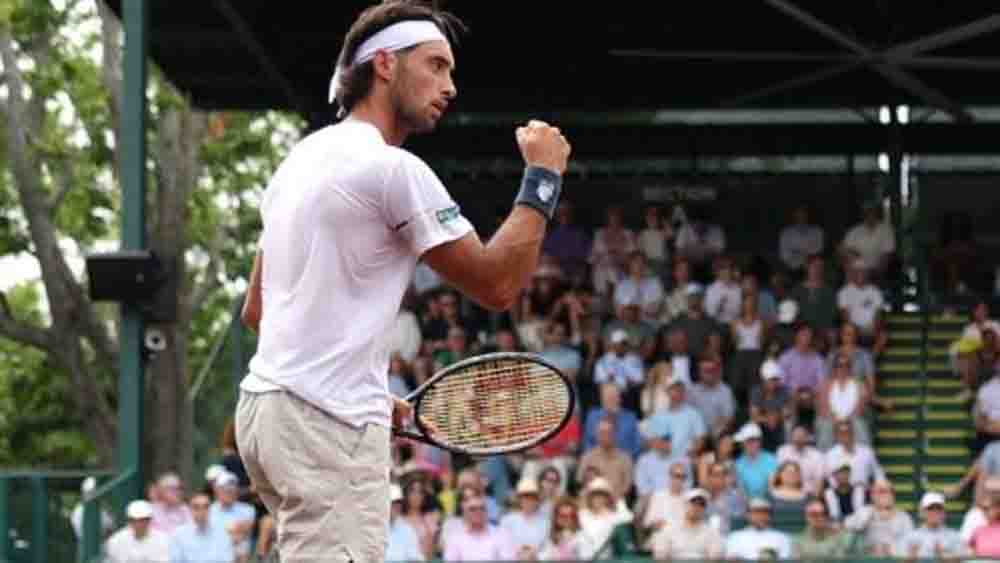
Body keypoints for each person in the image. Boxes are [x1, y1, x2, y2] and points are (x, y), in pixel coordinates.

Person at [234, 3, 572, 562]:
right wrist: (543, 177)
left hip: (265, 412)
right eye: (436, 65)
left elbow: (256, 310)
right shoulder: (393, 170)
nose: (450, 86)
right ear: (385, 64)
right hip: (324, 425)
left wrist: (361, 389)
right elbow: (497, 285)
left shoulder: (299, 159)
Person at [650, 488, 724, 560]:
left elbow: (714, 558)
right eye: (693, 503)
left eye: (701, 504)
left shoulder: (711, 532)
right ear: (685, 504)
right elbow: (660, 557)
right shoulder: (669, 529)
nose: (697, 507)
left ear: (705, 509)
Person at [169, 493, 235, 563]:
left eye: (206, 507)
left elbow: (227, 559)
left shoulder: (222, 533)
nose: (201, 511)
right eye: (196, 507)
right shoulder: (179, 534)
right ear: (190, 510)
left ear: (211, 510)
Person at [104, 500, 170, 563]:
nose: (139, 524)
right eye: (135, 520)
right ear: (129, 520)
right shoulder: (115, 541)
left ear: (149, 520)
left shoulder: (162, 540)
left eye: (143, 520)